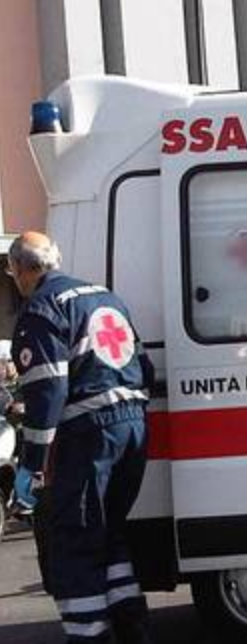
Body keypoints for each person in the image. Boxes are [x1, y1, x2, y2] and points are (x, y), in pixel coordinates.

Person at [7, 231, 154, 643]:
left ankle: (89, 636)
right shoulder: (104, 297)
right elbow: (144, 368)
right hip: (133, 428)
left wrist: (32, 465)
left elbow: (49, 392)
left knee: (73, 543)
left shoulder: (42, 308)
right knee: (108, 536)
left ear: (20, 269)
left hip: (91, 437)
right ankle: (133, 630)